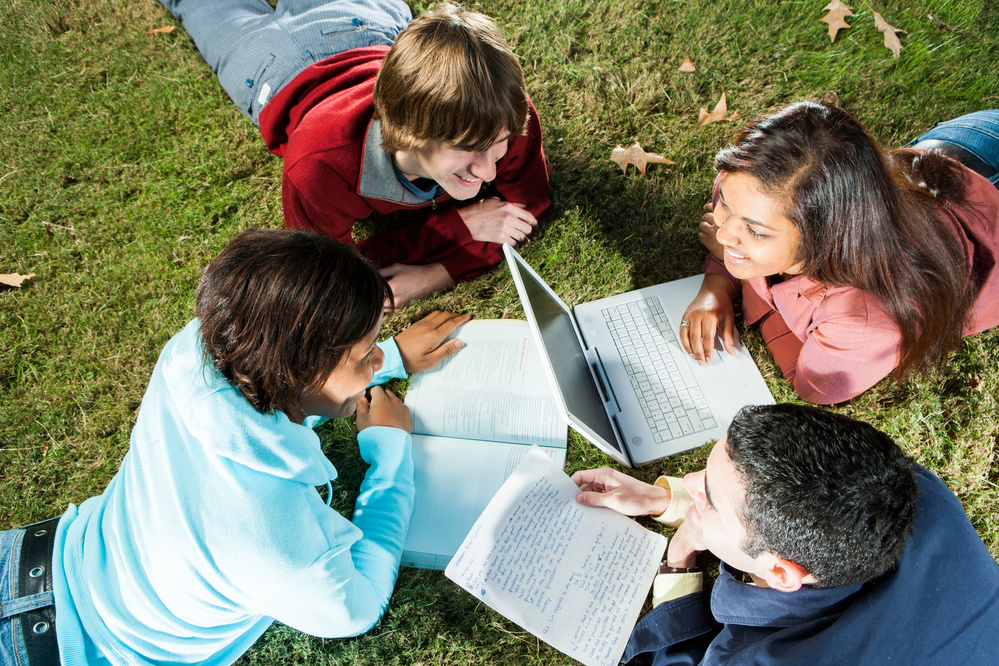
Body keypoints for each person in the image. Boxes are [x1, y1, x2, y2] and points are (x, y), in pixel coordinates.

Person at [0, 228, 471, 666]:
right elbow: (360, 609)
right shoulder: (288, 552)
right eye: (365, 351)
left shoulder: (195, 348)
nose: (377, 358)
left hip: (25, 558)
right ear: (298, 371)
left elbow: (286, 380)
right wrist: (389, 455)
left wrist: (385, 360)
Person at [154, 0, 551, 307]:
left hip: (363, 22)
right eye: (467, 150)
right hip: (273, 66)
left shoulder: (500, 114)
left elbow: (527, 205)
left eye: (497, 146)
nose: (487, 171)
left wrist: (438, 273)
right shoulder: (318, 168)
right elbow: (328, 276)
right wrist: (459, 227)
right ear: (410, 132)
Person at [571, 404, 999, 665]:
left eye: (711, 500)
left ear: (782, 574)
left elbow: (677, 658)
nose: (689, 478)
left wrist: (680, 557)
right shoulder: (908, 486)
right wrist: (662, 499)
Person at [679, 104, 999, 404]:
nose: (721, 234)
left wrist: (744, 283)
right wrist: (717, 284)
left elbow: (813, 385)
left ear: (826, 237)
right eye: (725, 205)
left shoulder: (865, 317)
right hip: (974, 142)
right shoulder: (752, 180)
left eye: (756, 231)